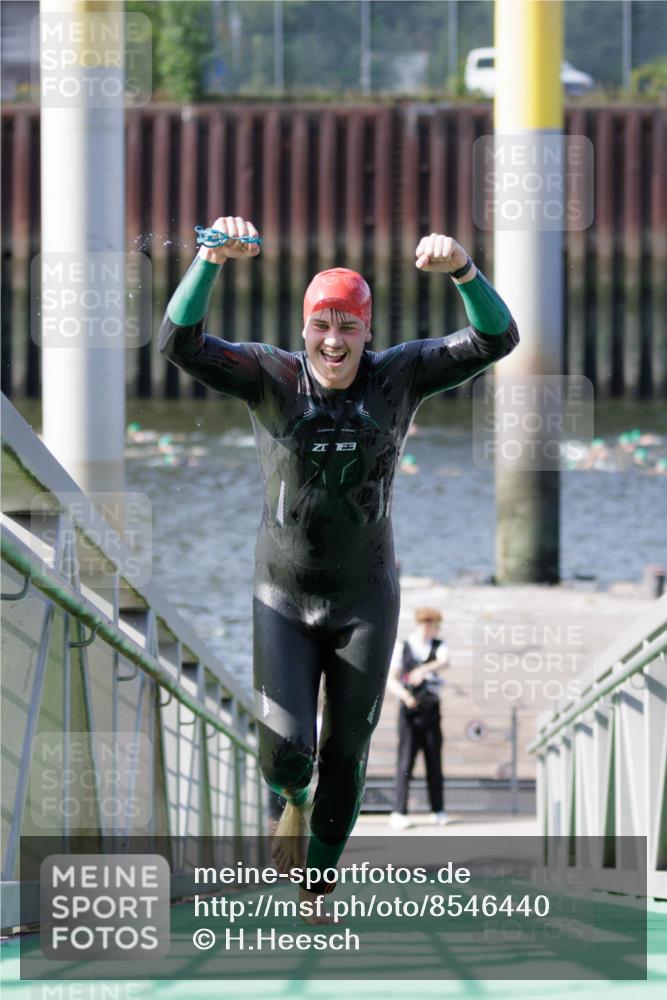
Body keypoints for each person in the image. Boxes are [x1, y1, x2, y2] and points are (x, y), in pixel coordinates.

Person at [158, 215, 519, 921]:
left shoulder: (399, 377)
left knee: (347, 755)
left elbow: (496, 339)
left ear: (366, 332)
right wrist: (209, 258)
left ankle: (318, 884)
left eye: (347, 327)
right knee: (291, 754)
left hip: (365, 597)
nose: (332, 341)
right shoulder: (270, 376)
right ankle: (289, 801)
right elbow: (177, 342)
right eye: (321, 326)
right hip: (282, 596)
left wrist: (463, 271)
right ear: (302, 331)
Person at [387, 607, 450, 829]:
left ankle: (438, 809)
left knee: (434, 761)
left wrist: (422, 670)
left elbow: (445, 661)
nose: (436, 630)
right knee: (405, 761)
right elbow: (391, 679)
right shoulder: (403, 647)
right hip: (409, 711)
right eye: (434, 625)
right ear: (426, 624)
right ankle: (399, 811)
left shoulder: (439, 646)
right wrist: (405, 696)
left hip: (431, 710)